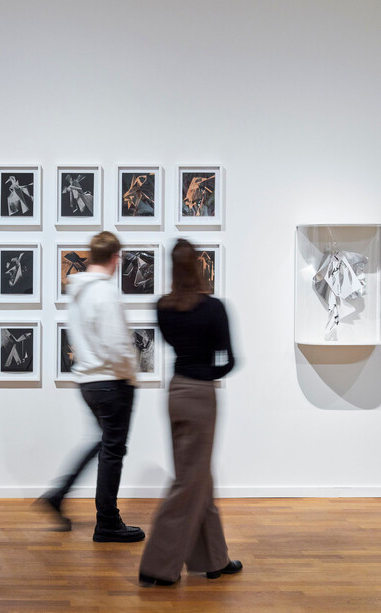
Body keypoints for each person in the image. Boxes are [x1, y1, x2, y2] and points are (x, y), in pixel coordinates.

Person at [137, 238, 241, 586]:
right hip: (200, 396)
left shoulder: (163, 307)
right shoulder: (213, 308)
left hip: (176, 391)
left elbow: (175, 345)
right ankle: (157, 565)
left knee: (199, 478)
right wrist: (207, 375)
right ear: (198, 267)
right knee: (189, 481)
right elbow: (229, 360)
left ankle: (213, 559)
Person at [39, 231, 145, 543]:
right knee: (113, 450)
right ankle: (108, 521)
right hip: (111, 381)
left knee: (103, 444)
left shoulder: (79, 292)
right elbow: (116, 345)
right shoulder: (105, 293)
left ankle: (58, 495)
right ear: (115, 258)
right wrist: (132, 374)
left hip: (87, 380)